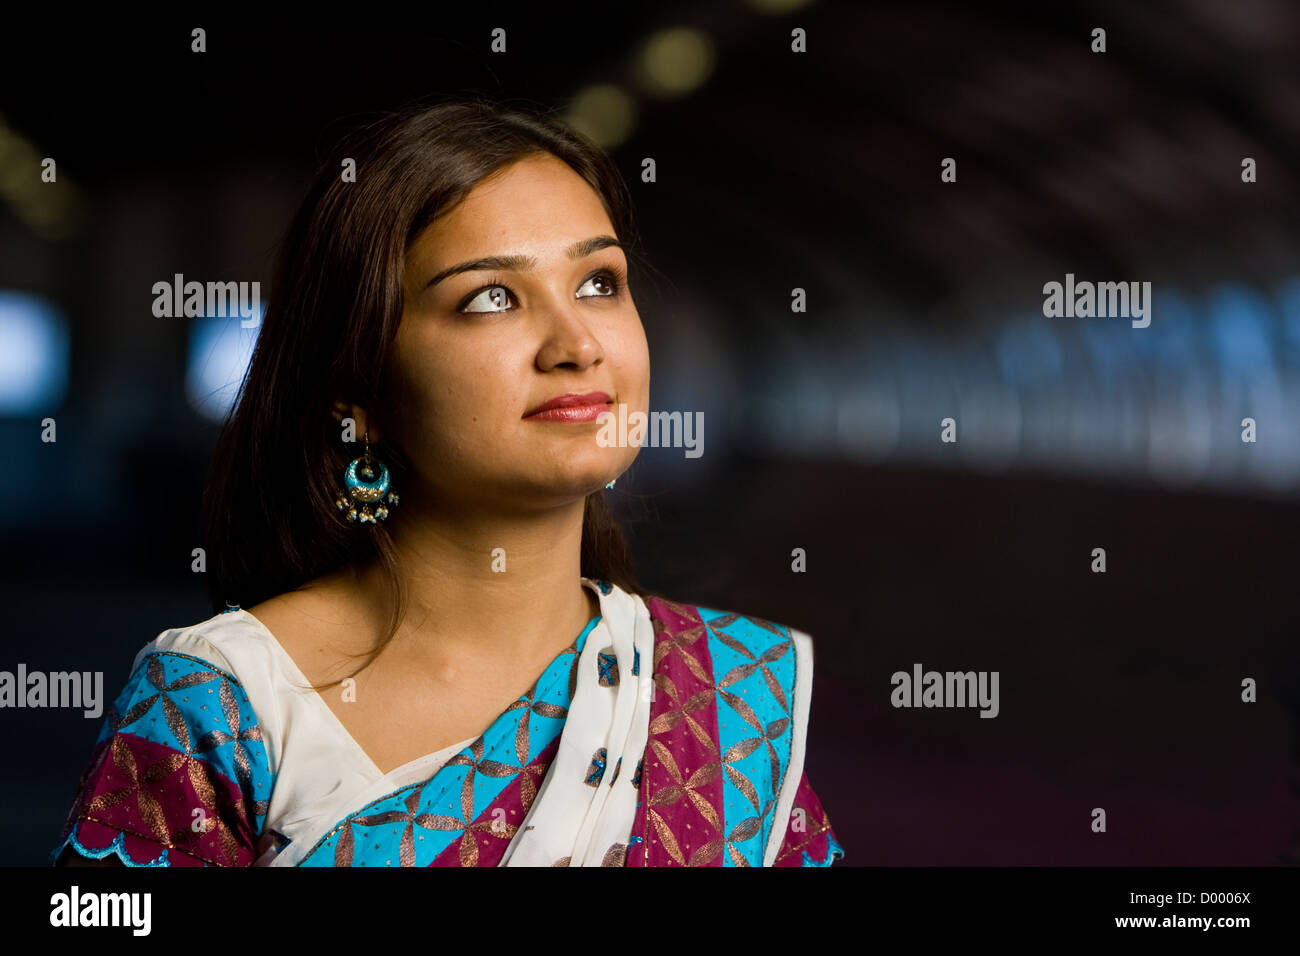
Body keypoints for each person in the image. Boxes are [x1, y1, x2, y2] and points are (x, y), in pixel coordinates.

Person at [51, 95, 844, 867]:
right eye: (491, 298)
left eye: (599, 283)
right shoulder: (222, 707)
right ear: (362, 395)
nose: (577, 344)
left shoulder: (729, 700)